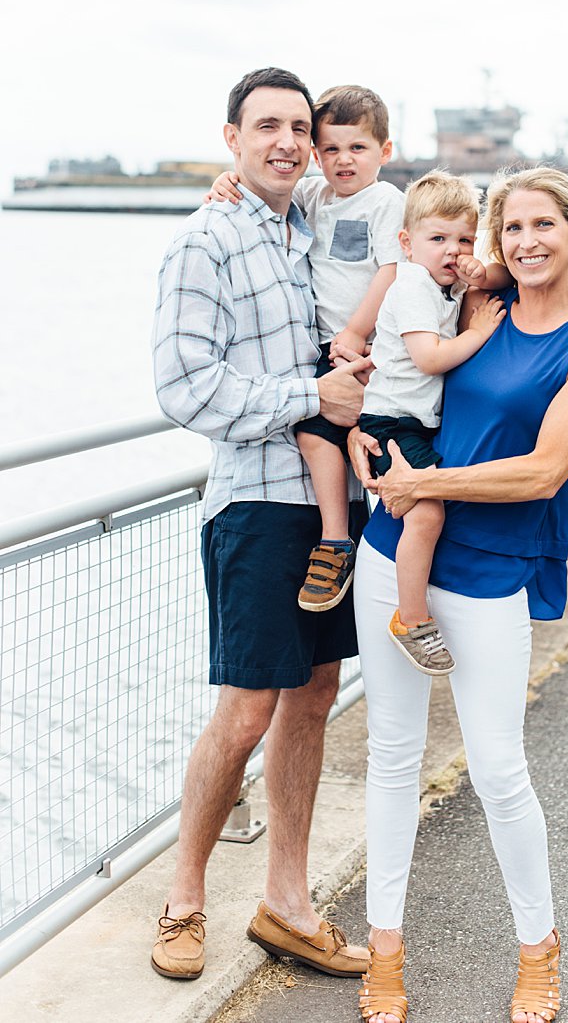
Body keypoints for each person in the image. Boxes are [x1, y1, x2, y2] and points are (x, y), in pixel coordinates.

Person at [347, 166, 568, 1023]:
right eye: (511, 227)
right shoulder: (475, 302)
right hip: (393, 548)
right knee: (392, 756)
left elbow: (545, 471)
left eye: (544, 224)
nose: (525, 241)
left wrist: (430, 481)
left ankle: (538, 947)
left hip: (487, 566)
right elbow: (399, 254)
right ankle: (385, 949)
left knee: (499, 770)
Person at [149, 66, 372, 981]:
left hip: (331, 510)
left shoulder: (312, 218)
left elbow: (407, 209)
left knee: (315, 700)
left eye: (299, 128)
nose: (287, 141)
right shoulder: (205, 239)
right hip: (255, 504)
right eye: (267, 126)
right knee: (245, 712)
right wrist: (305, 396)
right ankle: (183, 900)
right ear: (233, 138)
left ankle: (285, 902)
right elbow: (182, 385)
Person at [207, 85, 405, 614]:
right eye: (331, 149)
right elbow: (262, 188)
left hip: (368, 346)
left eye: (358, 148)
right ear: (317, 154)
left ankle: (399, 562)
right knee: (316, 432)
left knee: (377, 443)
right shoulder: (312, 195)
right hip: (328, 348)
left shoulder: (387, 202)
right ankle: (337, 539)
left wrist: (357, 331)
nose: (343, 160)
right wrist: (226, 180)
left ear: (385, 153)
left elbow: (392, 271)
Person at [358, 169, 506, 674]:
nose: (453, 250)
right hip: (394, 422)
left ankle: (413, 607)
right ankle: (411, 618)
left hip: (409, 419)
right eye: (438, 238)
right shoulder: (413, 284)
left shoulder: (441, 285)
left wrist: (479, 276)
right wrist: (481, 331)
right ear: (407, 242)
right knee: (427, 514)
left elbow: (500, 272)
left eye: (465, 239)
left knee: (427, 511)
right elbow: (429, 358)